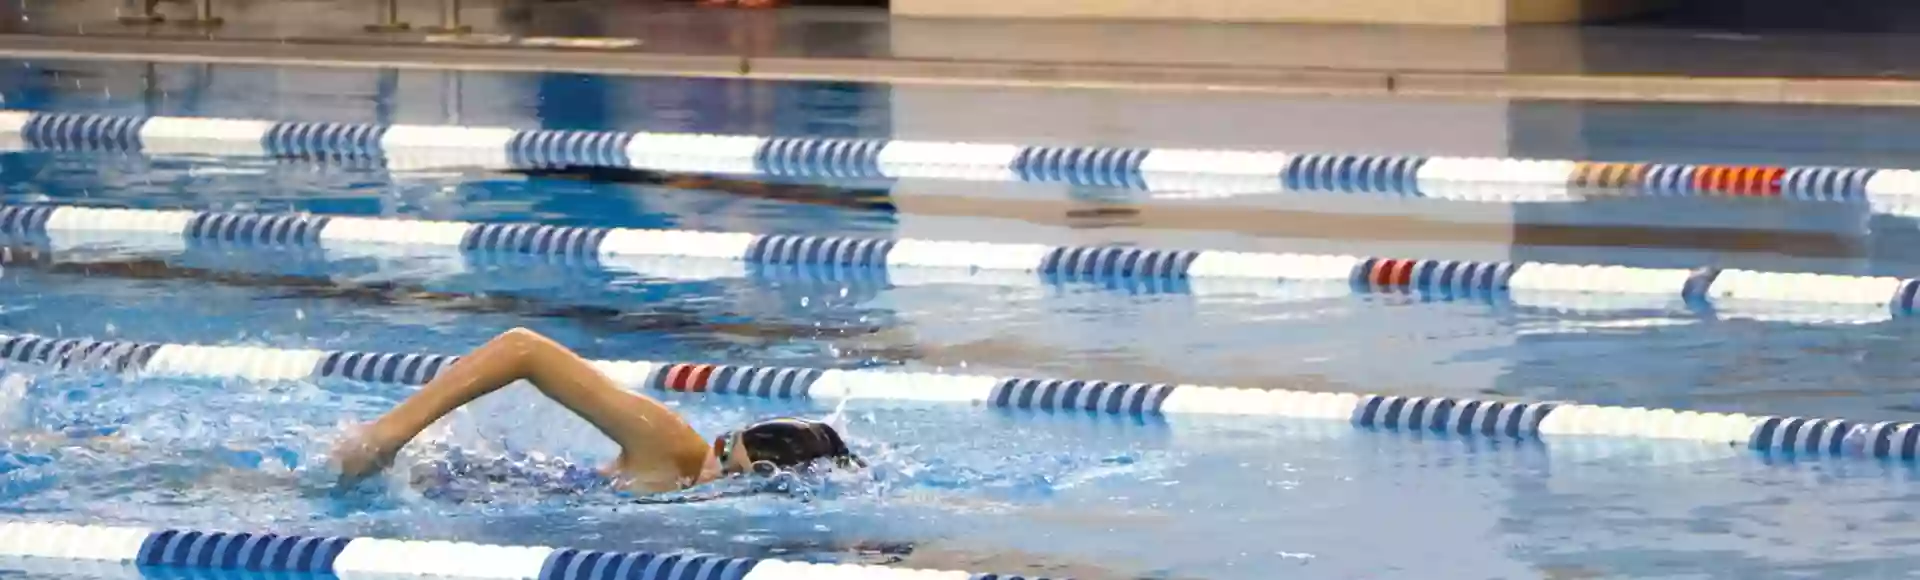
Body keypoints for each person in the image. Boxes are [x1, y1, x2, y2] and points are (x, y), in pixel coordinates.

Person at [330, 327, 861, 495]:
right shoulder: (671, 449)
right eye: (722, 448)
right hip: (443, 482)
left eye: (729, 471)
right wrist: (385, 436)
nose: (709, 463)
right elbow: (523, 349)